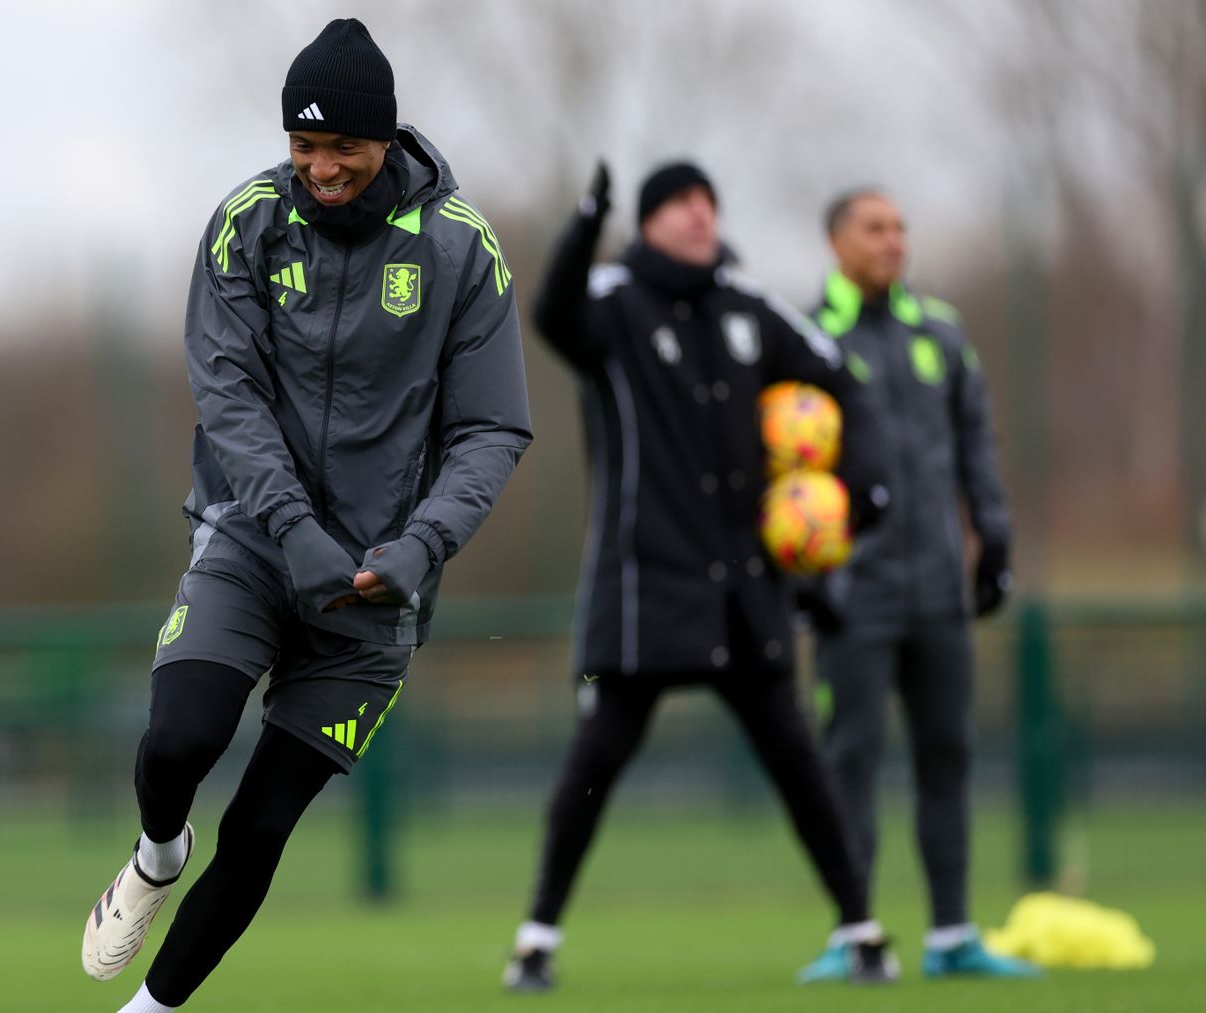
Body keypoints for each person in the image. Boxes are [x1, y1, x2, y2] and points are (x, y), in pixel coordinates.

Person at [78, 19, 533, 1012]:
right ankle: (158, 851)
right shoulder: (246, 220)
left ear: (385, 139)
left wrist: (419, 545)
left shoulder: (461, 247)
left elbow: (495, 426)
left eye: (344, 148)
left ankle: (148, 1010)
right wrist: (292, 529)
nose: (322, 167)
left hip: (377, 586)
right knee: (176, 741)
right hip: (252, 538)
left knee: (262, 824)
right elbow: (226, 393)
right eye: (304, 146)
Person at [501, 161, 898, 992]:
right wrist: (583, 222)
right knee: (597, 760)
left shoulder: (748, 307)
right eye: (680, 203)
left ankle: (863, 929)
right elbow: (549, 315)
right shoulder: (611, 302)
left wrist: (861, 495)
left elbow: (844, 383)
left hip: (743, 588)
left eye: (709, 203)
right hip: (644, 587)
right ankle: (536, 939)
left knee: (796, 757)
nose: (699, 216)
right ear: (646, 222)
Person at [806, 188, 1037, 979]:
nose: (893, 240)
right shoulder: (810, 338)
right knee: (852, 761)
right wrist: (806, 576)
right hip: (853, 596)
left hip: (940, 589)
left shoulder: (939, 330)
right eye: (875, 228)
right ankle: (855, 936)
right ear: (837, 242)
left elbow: (977, 437)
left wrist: (995, 537)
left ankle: (952, 936)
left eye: (901, 227)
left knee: (948, 756)